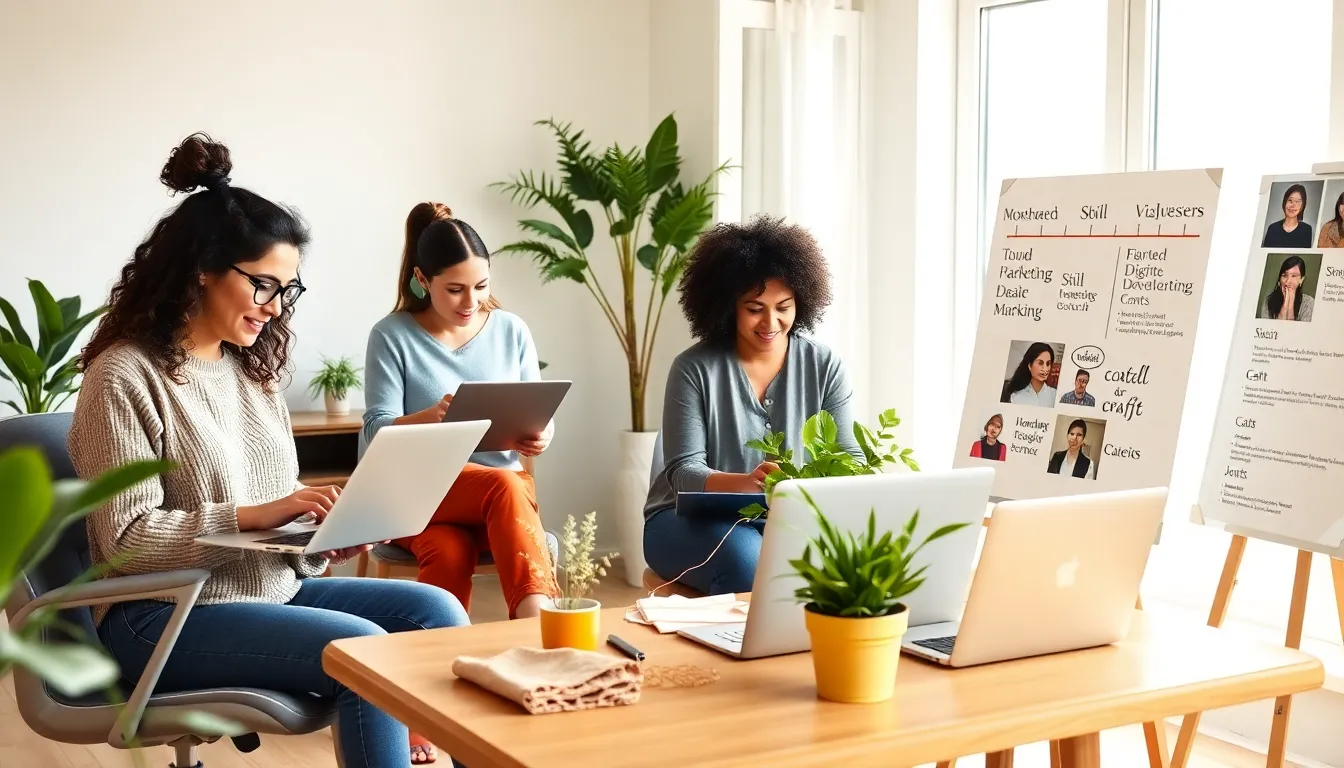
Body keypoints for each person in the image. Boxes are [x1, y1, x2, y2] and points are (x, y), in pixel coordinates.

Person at [69, 134, 466, 767]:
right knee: (364, 651)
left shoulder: (253, 374)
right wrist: (251, 514)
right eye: (263, 284)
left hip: (261, 592)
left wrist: (318, 540)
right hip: (158, 616)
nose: (275, 306)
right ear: (203, 268)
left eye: (288, 289)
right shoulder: (123, 376)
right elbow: (124, 540)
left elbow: (274, 526)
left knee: (435, 610)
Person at [643, 215, 864, 595]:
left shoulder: (824, 365)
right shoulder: (693, 368)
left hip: (785, 516)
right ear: (729, 306)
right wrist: (745, 484)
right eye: (755, 307)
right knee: (752, 564)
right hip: (683, 520)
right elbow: (683, 473)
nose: (771, 321)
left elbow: (850, 457)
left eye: (784, 306)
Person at [361, 202, 559, 621]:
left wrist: (541, 434)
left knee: (449, 552)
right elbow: (375, 429)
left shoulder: (511, 329)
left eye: (481, 286)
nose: (471, 301)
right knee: (506, 485)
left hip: (491, 501)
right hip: (416, 493)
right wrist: (430, 417)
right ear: (422, 279)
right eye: (455, 289)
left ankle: (430, 665)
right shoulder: (391, 335)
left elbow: (539, 410)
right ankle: (538, 624)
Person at [1259, 254, 1314, 322]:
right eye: (1284, 275)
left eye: (1294, 276)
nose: (1288, 281)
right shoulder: (1268, 301)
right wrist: (1285, 304)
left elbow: (1294, 331)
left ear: (1301, 280)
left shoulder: (1308, 303)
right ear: (1279, 279)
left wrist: (1290, 303)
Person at [1003, 342, 1058, 406]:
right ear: (1030, 366)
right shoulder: (1015, 395)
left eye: (1048, 364)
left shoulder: (1055, 395)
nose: (1045, 369)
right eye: (1040, 363)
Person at [1262, 183, 1313, 248]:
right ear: (1284, 202)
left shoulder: (1307, 229)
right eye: (1290, 200)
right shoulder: (1273, 228)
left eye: (1297, 202)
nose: (1293, 205)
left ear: (1302, 206)